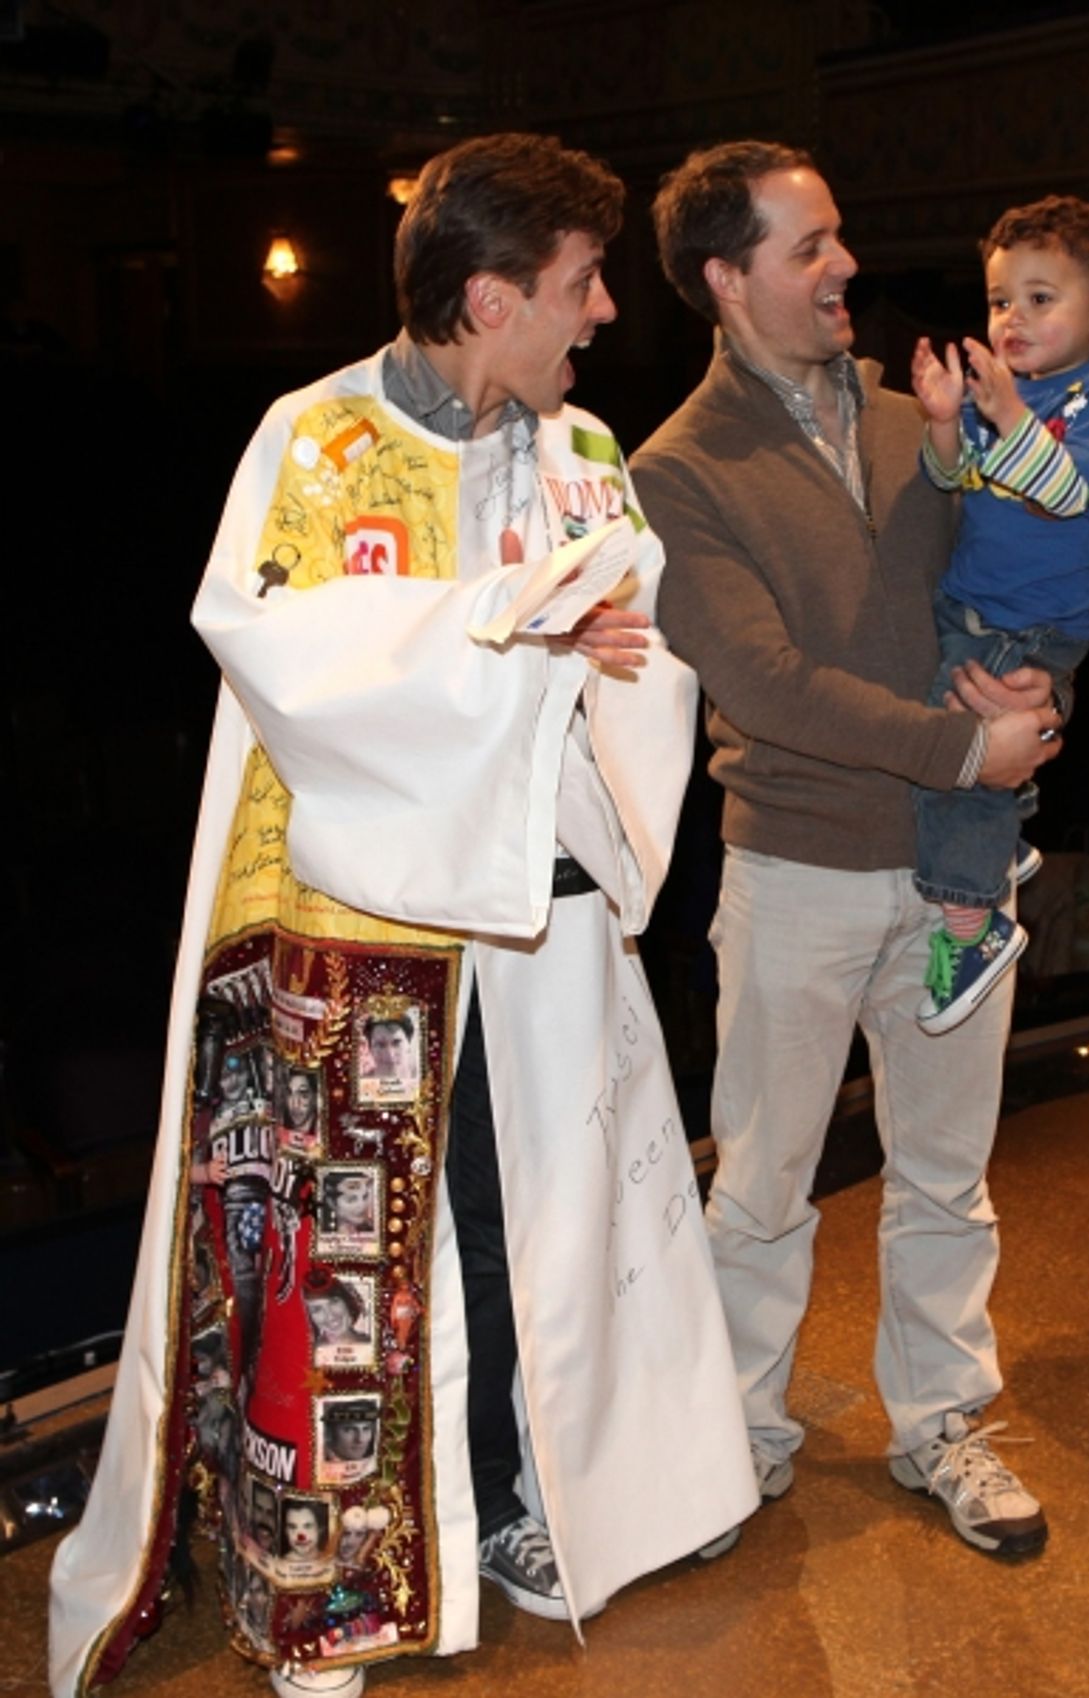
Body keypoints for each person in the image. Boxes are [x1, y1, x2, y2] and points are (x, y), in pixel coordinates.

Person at [49, 132, 756, 1698]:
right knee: (338, 1264)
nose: (599, 322)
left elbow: (637, 646)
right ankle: (330, 1593)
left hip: (531, 919)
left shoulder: (582, 449)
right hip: (348, 923)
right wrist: (496, 623)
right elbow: (273, 646)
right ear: (491, 296)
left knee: (528, 1233)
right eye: (576, 290)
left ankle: (532, 1498)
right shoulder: (311, 442)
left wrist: (586, 659)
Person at [632, 141, 1063, 1563]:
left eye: (839, 239)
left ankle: (942, 1419)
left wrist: (1028, 694)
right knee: (760, 1184)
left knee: (948, 1166)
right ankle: (736, 1436)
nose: (845, 268)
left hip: (959, 864)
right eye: (810, 247)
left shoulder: (911, 420)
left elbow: (1018, 582)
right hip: (801, 871)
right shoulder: (677, 471)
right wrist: (965, 750)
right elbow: (763, 682)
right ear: (725, 276)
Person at [909, 193, 1089, 1033]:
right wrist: (945, 425)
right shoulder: (999, 398)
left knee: (963, 752)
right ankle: (996, 847)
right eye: (1001, 299)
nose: (1013, 317)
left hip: (1033, 624)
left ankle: (970, 931)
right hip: (975, 605)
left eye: (1041, 299)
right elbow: (953, 484)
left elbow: (1068, 495)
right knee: (951, 746)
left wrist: (1005, 411)